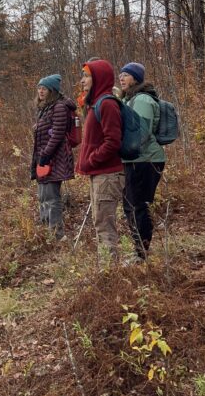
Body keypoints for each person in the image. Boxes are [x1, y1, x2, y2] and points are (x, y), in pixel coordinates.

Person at [77, 59, 125, 262]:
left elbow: (113, 141)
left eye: (87, 76)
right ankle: (106, 271)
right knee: (100, 223)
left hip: (108, 174)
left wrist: (92, 160)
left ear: (98, 78)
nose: (82, 80)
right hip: (99, 174)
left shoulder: (106, 104)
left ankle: (108, 276)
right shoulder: (95, 104)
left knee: (104, 226)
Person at [117, 62, 165, 262]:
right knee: (133, 204)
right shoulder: (132, 98)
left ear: (136, 79)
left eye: (126, 75)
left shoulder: (143, 100)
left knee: (136, 205)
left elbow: (142, 133)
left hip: (145, 160)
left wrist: (123, 147)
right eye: (120, 74)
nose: (121, 78)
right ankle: (141, 251)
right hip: (138, 159)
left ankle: (142, 253)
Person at [31, 74, 75, 238]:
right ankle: (46, 233)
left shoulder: (59, 107)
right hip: (44, 158)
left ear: (52, 91)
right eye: (39, 88)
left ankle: (57, 235)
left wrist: (45, 155)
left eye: (44, 88)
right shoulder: (45, 108)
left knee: (51, 196)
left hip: (54, 159)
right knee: (43, 196)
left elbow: (57, 135)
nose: (40, 91)